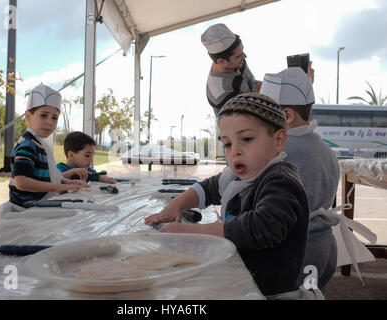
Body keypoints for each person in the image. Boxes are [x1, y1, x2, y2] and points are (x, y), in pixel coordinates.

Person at [145, 93, 315, 298]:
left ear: (278, 140)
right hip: (243, 281)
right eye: (227, 144)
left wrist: (194, 232)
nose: (235, 151)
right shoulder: (239, 176)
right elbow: (210, 188)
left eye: (246, 139)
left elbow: (261, 227)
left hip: (269, 291)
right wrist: (178, 204)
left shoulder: (281, 182)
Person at [260, 67, 340, 293]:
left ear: (286, 116)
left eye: (262, 117)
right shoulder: (325, 149)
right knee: (313, 295)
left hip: (300, 251)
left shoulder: (281, 150)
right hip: (325, 246)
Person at [8, 84, 90, 209]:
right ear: (28, 116)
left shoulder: (41, 144)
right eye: (43, 115)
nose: (49, 122)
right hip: (24, 209)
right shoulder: (28, 145)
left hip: (38, 205)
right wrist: (58, 187)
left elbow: (47, 176)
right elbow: (21, 182)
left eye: (54, 118)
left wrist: (68, 182)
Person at [201, 23, 261, 118]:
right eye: (238, 56)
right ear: (222, 62)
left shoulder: (236, 61)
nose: (244, 56)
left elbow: (253, 85)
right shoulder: (222, 93)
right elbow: (249, 119)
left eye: (242, 51)